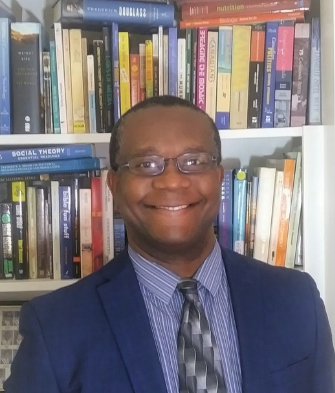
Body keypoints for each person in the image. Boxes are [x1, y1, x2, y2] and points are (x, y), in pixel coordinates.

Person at [4, 96, 335, 393]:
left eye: (193, 161)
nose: (172, 180)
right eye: (147, 164)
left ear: (220, 179)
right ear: (114, 187)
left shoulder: (295, 299)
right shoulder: (56, 326)